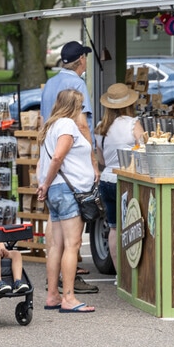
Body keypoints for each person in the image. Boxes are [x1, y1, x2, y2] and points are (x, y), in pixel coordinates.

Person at [40, 40, 98, 283]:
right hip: (70, 159)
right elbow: (82, 123)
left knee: (55, 228)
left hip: (50, 153)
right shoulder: (77, 83)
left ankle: (54, 280)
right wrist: (93, 157)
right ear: (81, 60)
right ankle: (69, 280)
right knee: (73, 240)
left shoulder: (51, 83)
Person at [37, 89, 97, 313]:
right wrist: (46, 182)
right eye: (80, 106)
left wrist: (44, 183)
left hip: (56, 190)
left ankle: (53, 295)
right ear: (74, 106)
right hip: (68, 191)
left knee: (56, 246)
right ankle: (69, 297)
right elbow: (58, 157)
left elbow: (44, 160)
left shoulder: (50, 126)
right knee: (72, 245)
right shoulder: (68, 126)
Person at [94, 83, 144, 277]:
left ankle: (119, 275)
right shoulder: (133, 124)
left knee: (114, 227)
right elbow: (144, 146)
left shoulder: (101, 128)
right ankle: (131, 275)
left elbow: (101, 160)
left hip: (106, 179)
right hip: (125, 179)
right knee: (132, 226)